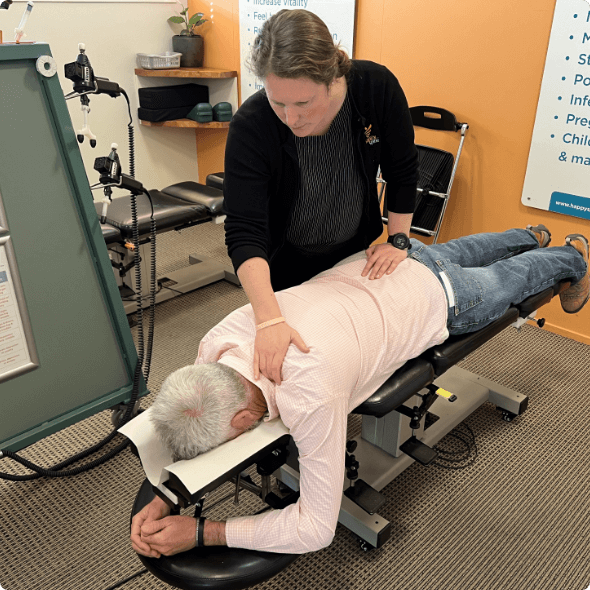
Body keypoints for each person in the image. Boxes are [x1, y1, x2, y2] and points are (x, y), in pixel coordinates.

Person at [131, 225, 589, 557]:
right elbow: (187, 411)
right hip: (379, 262)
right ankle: (532, 233)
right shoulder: (217, 341)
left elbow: (315, 530)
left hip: (440, 298)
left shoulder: (308, 393)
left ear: (242, 422)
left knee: (512, 279)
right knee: (460, 249)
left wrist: (200, 532)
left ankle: (572, 256)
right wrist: (164, 493)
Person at [223, 9, 419, 386]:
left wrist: (398, 239)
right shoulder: (253, 124)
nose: (291, 118)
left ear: (332, 77)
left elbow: (402, 169)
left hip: (355, 255)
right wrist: (269, 318)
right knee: (296, 364)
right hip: (287, 263)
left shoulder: (375, 88)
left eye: (303, 104)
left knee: (362, 353)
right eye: (279, 103)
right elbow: (245, 228)